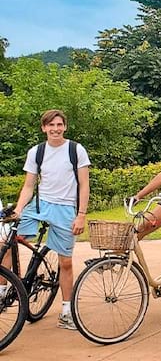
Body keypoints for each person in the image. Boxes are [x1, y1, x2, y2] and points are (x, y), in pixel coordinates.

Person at [5, 109, 90, 330]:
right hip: (40, 205)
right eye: (51, 125)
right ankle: (4, 289)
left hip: (65, 209)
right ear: (44, 128)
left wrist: (81, 215)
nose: (55, 129)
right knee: (6, 240)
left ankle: (66, 310)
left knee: (65, 262)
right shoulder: (37, 152)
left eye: (59, 125)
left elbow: (84, 185)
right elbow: (29, 185)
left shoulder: (76, 150)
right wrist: (20, 209)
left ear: (65, 127)